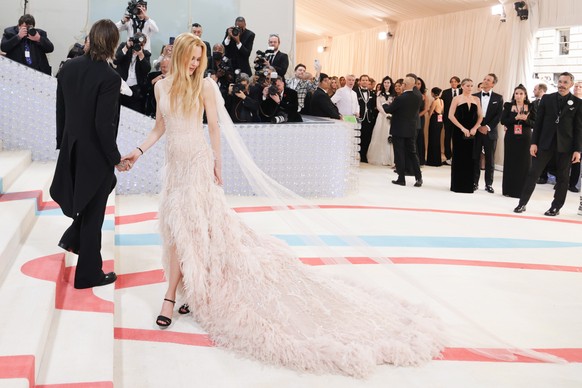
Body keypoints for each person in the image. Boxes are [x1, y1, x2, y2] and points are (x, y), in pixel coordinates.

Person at [120, 32, 443, 377]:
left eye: (201, 58)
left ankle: (175, 294)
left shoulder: (206, 87)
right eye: (192, 57)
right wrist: (137, 153)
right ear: (181, 54)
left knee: (196, 229)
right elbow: (159, 127)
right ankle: (187, 288)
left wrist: (217, 164)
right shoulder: (161, 87)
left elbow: (214, 127)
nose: (196, 63)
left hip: (197, 166)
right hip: (175, 169)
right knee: (175, 229)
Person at [49, 19, 129, 289]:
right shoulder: (109, 77)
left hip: (72, 149)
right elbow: (103, 125)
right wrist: (116, 158)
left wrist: (63, 143)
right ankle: (88, 274)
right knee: (94, 215)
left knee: (89, 207)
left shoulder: (68, 67)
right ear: (113, 44)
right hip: (95, 155)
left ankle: (73, 238)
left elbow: (61, 109)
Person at [514, 72, 582, 216]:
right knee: (533, 174)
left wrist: (577, 150)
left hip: (566, 147)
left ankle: (556, 207)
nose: (562, 85)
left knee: (563, 178)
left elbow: (578, 129)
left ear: (571, 84)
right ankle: (522, 203)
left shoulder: (577, 103)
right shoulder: (547, 99)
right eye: (560, 82)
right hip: (545, 143)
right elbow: (538, 124)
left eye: (565, 83)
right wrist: (534, 143)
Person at [383, 76, 423, 187]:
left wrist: (385, 103)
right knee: (413, 153)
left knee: (399, 154)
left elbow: (388, 110)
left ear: (404, 85)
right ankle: (418, 178)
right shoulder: (418, 96)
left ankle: (401, 179)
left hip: (399, 129)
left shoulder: (401, 98)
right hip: (411, 129)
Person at [448, 78, 483, 193]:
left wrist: (474, 128)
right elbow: (450, 116)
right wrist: (462, 128)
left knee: (470, 157)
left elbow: (480, 116)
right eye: (467, 85)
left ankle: (469, 185)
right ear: (462, 86)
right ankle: (457, 185)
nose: (470, 88)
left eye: (471, 86)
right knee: (458, 156)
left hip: (472, 132)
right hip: (459, 131)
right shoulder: (456, 98)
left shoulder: (476, 99)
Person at [501, 84, 535, 198]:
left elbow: (536, 123)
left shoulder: (531, 106)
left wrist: (526, 120)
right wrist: (515, 118)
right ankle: (508, 190)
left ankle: (522, 191)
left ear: (525, 95)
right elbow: (503, 121)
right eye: (516, 93)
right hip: (511, 136)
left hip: (525, 137)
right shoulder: (508, 105)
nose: (518, 96)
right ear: (514, 95)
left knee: (524, 163)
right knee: (510, 161)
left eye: (521, 93)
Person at [473, 73, 503, 193]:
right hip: (476, 130)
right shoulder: (474, 96)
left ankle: (488, 184)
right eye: (484, 79)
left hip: (490, 132)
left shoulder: (498, 97)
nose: (485, 81)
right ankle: (474, 182)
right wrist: (479, 126)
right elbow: (472, 113)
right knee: (475, 157)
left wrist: (488, 127)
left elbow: (499, 116)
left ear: (493, 83)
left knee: (490, 159)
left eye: (488, 80)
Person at [114, 32, 152, 113]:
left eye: (141, 45)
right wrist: (126, 47)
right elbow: (116, 61)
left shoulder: (146, 54)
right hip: (120, 87)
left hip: (135, 91)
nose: (138, 46)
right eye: (137, 43)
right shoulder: (124, 47)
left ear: (144, 45)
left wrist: (141, 55)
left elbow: (147, 70)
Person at [367, 76, 395, 166]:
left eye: (388, 82)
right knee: (379, 134)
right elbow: (378, 106)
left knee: (388, 135)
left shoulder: (393, 94)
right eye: (385, 82)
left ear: (391, 84)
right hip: (382, 116)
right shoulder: (379, 93)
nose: (386, 84)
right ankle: (379, 157)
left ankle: (389, 158)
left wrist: (390, 114)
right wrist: (385, 114)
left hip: (390, 116)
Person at [355, 74, 377, 163]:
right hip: (359, 118)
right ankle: (356, 155)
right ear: (359, 81)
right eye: (363, 80)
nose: (364, 81)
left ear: (369, 82)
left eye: (366, 80)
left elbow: (373, 106)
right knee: (358, 137)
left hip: (368, 119)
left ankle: (364, 156)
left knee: (367, 137)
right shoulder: (355, 92)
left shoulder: (372, 93)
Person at [441, 76, 461, 165]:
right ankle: (448, 157)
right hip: (448, 119)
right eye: (452, 82)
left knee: (457, 138)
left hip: (459, 120)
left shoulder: (462, 92)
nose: (453, 83)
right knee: (447, 137)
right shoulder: (445, 92)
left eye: (455, 82)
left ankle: (456, 157)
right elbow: (441, 106)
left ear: (458, 83)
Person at [426, 87, 444, 166]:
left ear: (433, 93)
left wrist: (428, 109)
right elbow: (441, 111)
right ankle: (437, 160)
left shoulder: (435, 101)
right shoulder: (441, 101)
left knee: (433, 139)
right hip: (440, 120)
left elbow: (430, 113)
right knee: (437, 139)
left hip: (434, 120)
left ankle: (432, 161)